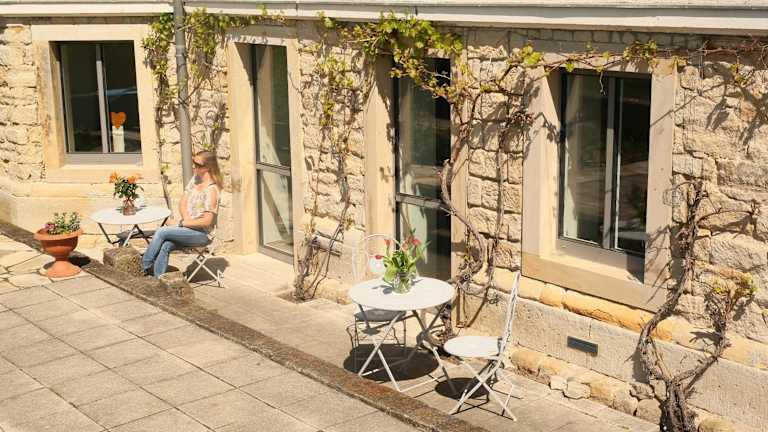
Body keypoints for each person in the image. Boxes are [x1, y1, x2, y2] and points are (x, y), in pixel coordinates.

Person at [142, 151, 222, 277]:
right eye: (193, 162)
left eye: (197, 164)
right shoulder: (195, 180)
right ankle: (159, 279)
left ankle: (143, 267)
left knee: (162, 231)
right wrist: (186, 220)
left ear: (208, 167)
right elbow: (182, 203)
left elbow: (207, 221)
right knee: (166, 244)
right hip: (187, 228)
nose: (194, 166)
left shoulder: (212, 190)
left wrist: (182, 224)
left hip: (202, 234)